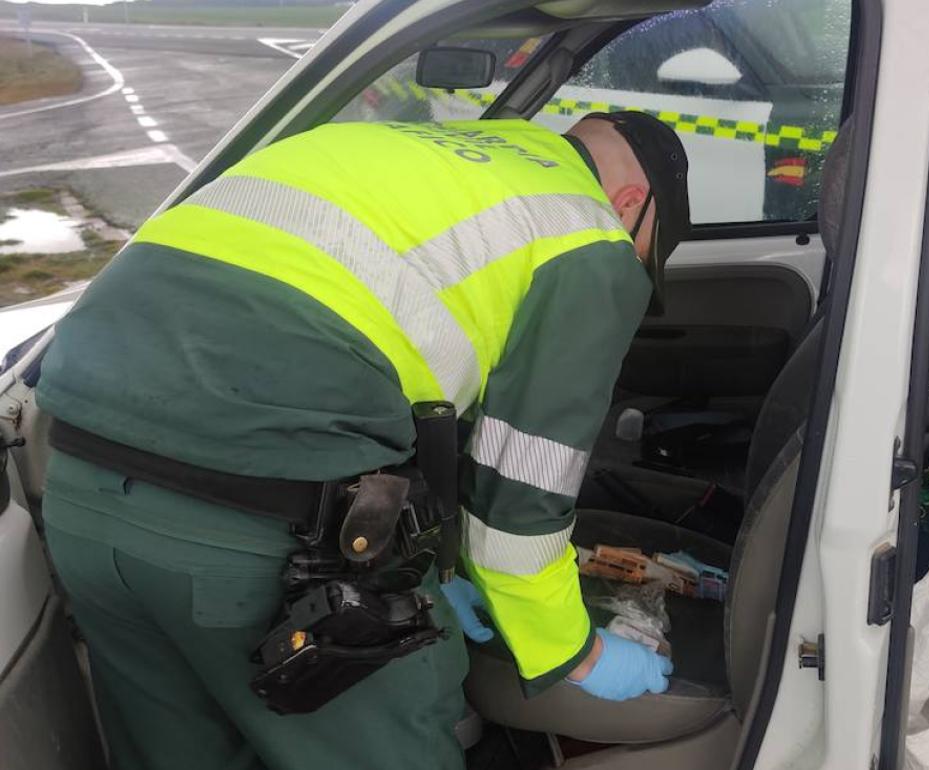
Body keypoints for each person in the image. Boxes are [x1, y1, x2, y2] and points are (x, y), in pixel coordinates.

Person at [35, 111, 690, 770]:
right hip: (259, 537)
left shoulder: (397, 148)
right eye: (645, 250)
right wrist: (575, 653)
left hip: (82, 494)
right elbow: (521, 498)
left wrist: (449, 567)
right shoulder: (586, 233)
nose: (633, 264)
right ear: (629, 204)